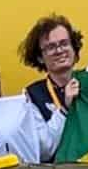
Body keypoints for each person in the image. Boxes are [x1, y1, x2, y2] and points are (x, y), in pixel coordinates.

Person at [18, 13, 83, 151]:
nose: (59, 50)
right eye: (51, 47)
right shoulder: (31, 95)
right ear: (40, 57)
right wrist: (64, 110)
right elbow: (44, 149)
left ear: (74, 47)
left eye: (64, 43)